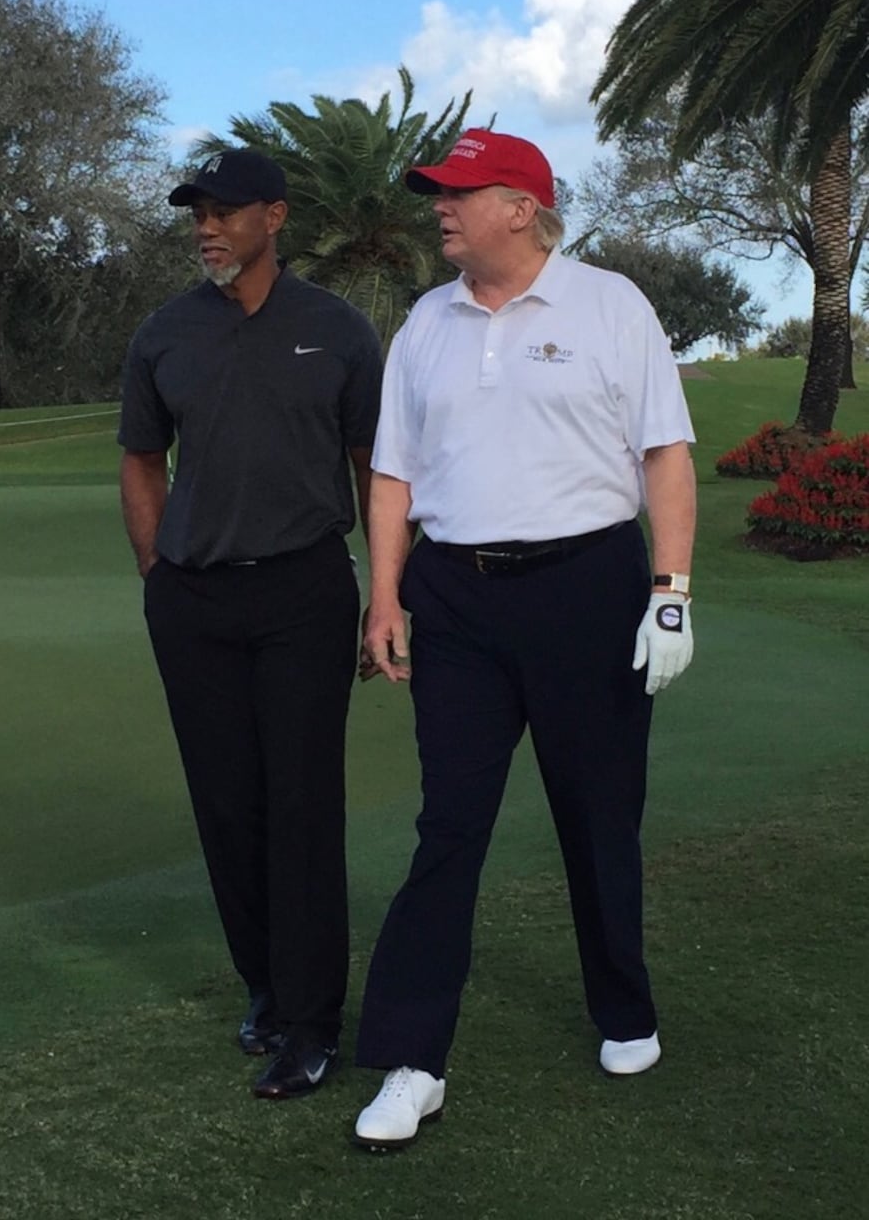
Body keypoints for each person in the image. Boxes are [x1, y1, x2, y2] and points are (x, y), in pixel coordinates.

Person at [352, 128, 696, 1150]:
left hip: (588, 582)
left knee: (599, 813)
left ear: (522, 207)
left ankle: (622, 1007)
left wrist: (670, 591)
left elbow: (664, 456)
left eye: (461, 192)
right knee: (448, 822)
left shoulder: (610, 303)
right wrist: (386, 592)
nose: (440, 208)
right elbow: (392, 475)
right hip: (456, 594)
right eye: (437, 193)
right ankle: (413, 1059)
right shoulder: (427, 320)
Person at [118, 149, 382, 1100]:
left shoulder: (339, 331)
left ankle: (313, 1025)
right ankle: (269, 991)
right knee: (228, 807)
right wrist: (157, 572)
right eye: (197, 212)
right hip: (194, 600)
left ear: (275, 217)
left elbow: (374, 467)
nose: (206, 227)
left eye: (224, 211)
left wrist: (385, 590)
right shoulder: (164, 334)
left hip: (304, 592)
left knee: (303, 806)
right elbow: (143, 461)